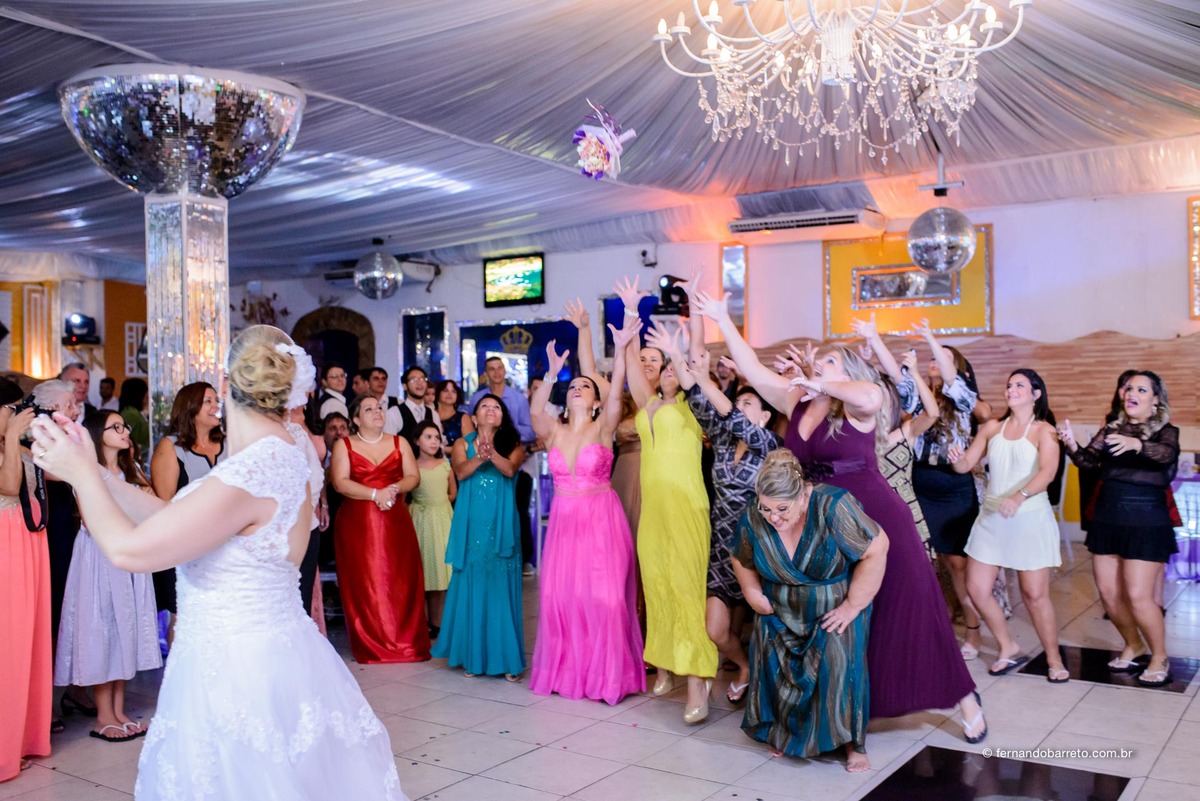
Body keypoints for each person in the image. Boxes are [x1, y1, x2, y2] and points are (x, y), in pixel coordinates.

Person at [29, 324, 407, 800]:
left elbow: (130, 550)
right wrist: (104, 475)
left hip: (236, 670)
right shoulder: (287, 452)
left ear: (227, 386)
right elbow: (178, 518)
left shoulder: (247, 475)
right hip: (279, 654)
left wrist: (80, 476)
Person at [695, 290, 985, 742]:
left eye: (830, 364)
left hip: (877, 517)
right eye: (820, 365)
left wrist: (822, 382)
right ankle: (850, 705)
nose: (819, 370)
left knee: (911, 608)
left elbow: (870, 392)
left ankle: (964, 697)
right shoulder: (797, 402)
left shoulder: (857, 403)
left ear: (844, 372)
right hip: (823, 523)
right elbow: (752, 368)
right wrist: (722, 319)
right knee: (839, 618)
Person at [647, 319, 780, 706]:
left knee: (769, 624)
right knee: (715, 630)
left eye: (749, 403)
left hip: (760, 553)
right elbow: (698, 395)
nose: (739, 408)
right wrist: (677, 350)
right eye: (738, 401)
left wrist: (707, 380)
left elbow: (728, 412)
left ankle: (774, 690)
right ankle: (744, 666)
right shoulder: (722, 440)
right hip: (722, 547)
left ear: (765, 416)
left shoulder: (769, 443)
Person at [732, 450, 888, 771]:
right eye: (767, 508)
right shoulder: (753, 515)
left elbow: (877, 547)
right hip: (778, 607)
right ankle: (785, 733)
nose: (773, 517)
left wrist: (853, 605)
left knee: (838, 660)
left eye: (782, 509)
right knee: (774, 659)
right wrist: (751, 591)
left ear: (803, 496)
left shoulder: (833, 506)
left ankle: (850, 743)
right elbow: (740, 554)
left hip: (832, 607)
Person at [854, 315, 988, 660]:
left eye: (941, 357)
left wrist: (930, 336)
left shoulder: (963, 398)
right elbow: (896, 377)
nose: (933, 361)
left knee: (957, 563)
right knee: (928, 562)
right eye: (932, 357)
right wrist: (875, 337)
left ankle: (972, 632)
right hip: (920, 485)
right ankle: (935, 621)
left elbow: (949, 375)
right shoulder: (917, 399)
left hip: (954, 484)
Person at [614, 277, 717, 723]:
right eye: (661, 364)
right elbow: (634, 362)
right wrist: (632, 311)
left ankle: (699, 682)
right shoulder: (647, 405)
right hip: (654, 510)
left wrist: (693, 310)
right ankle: (669, 662)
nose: (667, 369)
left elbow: (695, 355)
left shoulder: (695, 405)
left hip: (688, 507)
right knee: (657, 585)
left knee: (688, 589)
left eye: (672, 363)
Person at [528, 338, 645, 705]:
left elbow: (617, 398)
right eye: (573, 386)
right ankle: (569, 673)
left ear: (596, 401)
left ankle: (608, 677)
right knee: (560, 598)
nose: (578, 388)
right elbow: (534, 412)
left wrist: (624, 348)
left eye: (585, 386)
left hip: (601, 521)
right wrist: (550, 372)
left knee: (607, 600)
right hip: (565, 523)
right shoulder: (553, 432)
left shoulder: (605, 429)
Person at [1059, 371, 1180, 687]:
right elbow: (1088, 462)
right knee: (1110, 597)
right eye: (1129, 388)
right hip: (1108, 518)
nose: (1131, 392)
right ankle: (1134, 644)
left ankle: (1159, 655)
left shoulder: (1167, 432)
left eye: (1141, 389)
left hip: (1146, 521)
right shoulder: (1112, 429)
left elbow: (1165, 457)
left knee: (1139, 597)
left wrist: (1136, 443)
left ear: (1155, 401)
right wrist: (1072, 445)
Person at [949, 370, 1068, 683]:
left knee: (1034, 594)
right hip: (991, 518)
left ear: (1036, 394)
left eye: (1020, 385)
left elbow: (1048, 473)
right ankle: (1007, 645)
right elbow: (965, 465)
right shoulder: (991, 428)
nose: (1011, 389)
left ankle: (1054, 659)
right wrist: (956, 459)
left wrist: (1019, 496)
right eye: (1009, 384)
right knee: (976, 588)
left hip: (1029, 518)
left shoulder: (1045, 431)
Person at [55, 410, 161, 741]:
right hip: (99, 555)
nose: (125, 430)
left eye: (124, 426)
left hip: (129, 555)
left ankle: (119, 710)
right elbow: (90, 520)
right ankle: (103, 715)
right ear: (99, 434)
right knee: (104, 629)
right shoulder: (87, 473)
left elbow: (152, 508)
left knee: (125, 630)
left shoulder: (133, 471)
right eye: (116, 427)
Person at [433, 394, 527, 679]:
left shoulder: (514, 446)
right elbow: (461, 472)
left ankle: (507, 660)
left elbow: (509, 469)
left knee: (500, 585)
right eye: (485, 406)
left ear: (502, 417)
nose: (490, 410)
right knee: (472, 582)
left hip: (501, 524)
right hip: (472, 524)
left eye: (496, 407)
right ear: (473, 417)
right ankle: (473, 656)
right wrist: (480, 456)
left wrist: (491, 454)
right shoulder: (462, 444)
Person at [330, 395, 430, 664]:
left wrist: (393, 489)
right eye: (369, 409)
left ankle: (404, 641)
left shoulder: (400, 442)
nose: (377, 412)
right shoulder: (345, 445)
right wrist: (375, 493)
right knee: (367, 580)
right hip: (358, 524)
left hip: (394, 519)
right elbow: (340, 482)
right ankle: (372, 642)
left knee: (400, 577)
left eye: (379, 408)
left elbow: (413, 477)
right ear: (356, 419)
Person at [0, 390, 51, 781]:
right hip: (6, 545)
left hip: (29, 542)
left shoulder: (18, 443)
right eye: (12, 409)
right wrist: (15, 436)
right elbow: (8, 485)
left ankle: (22, 738)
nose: (19, 414)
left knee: (30, 638)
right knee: (9, 641)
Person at [149, 382, 225, 636]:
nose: (216, 406)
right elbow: (164, 504)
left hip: (226, 544)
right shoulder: (171, 448)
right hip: (185, 546)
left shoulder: (229, 445)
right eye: (209, 401)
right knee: (185, 616)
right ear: (190, 407)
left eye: (217, 400)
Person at [409, 420, 455, 638]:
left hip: (443, 518)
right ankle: (423, 620)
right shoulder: (412, 467)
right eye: (428, 437)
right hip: (421, 518)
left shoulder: (446, 465)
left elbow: (453, 492)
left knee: (442, 568)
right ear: (417, 441)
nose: (434, 441)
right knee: (424, 568)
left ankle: (439, 620)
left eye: (437, 437)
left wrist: (441, 502)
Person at [287, 405, 329, 617]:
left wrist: (313, 507)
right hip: (276, 526)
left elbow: (316, 475)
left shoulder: (299, 432)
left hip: (306, 519)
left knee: (301, 592)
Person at [385, 366, 439, 440]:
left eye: (423, 379)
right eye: (414, 379)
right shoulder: (394, 413)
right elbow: (388, 444)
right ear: (405, 386)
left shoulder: (433, 414)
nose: (419, 383)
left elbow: (439, 444)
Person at [117, 378, 150, 458]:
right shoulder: (130, 414)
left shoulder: (134, 412)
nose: (147, 399)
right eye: (145, 395)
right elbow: (126, 442)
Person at [434, 379, 471, 448]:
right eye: (445, 390)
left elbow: (470, 446)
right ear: (438, 393)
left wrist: (443, 449)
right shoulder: (429, 414)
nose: (449, 394)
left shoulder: (463, 418)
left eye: (454, 391)